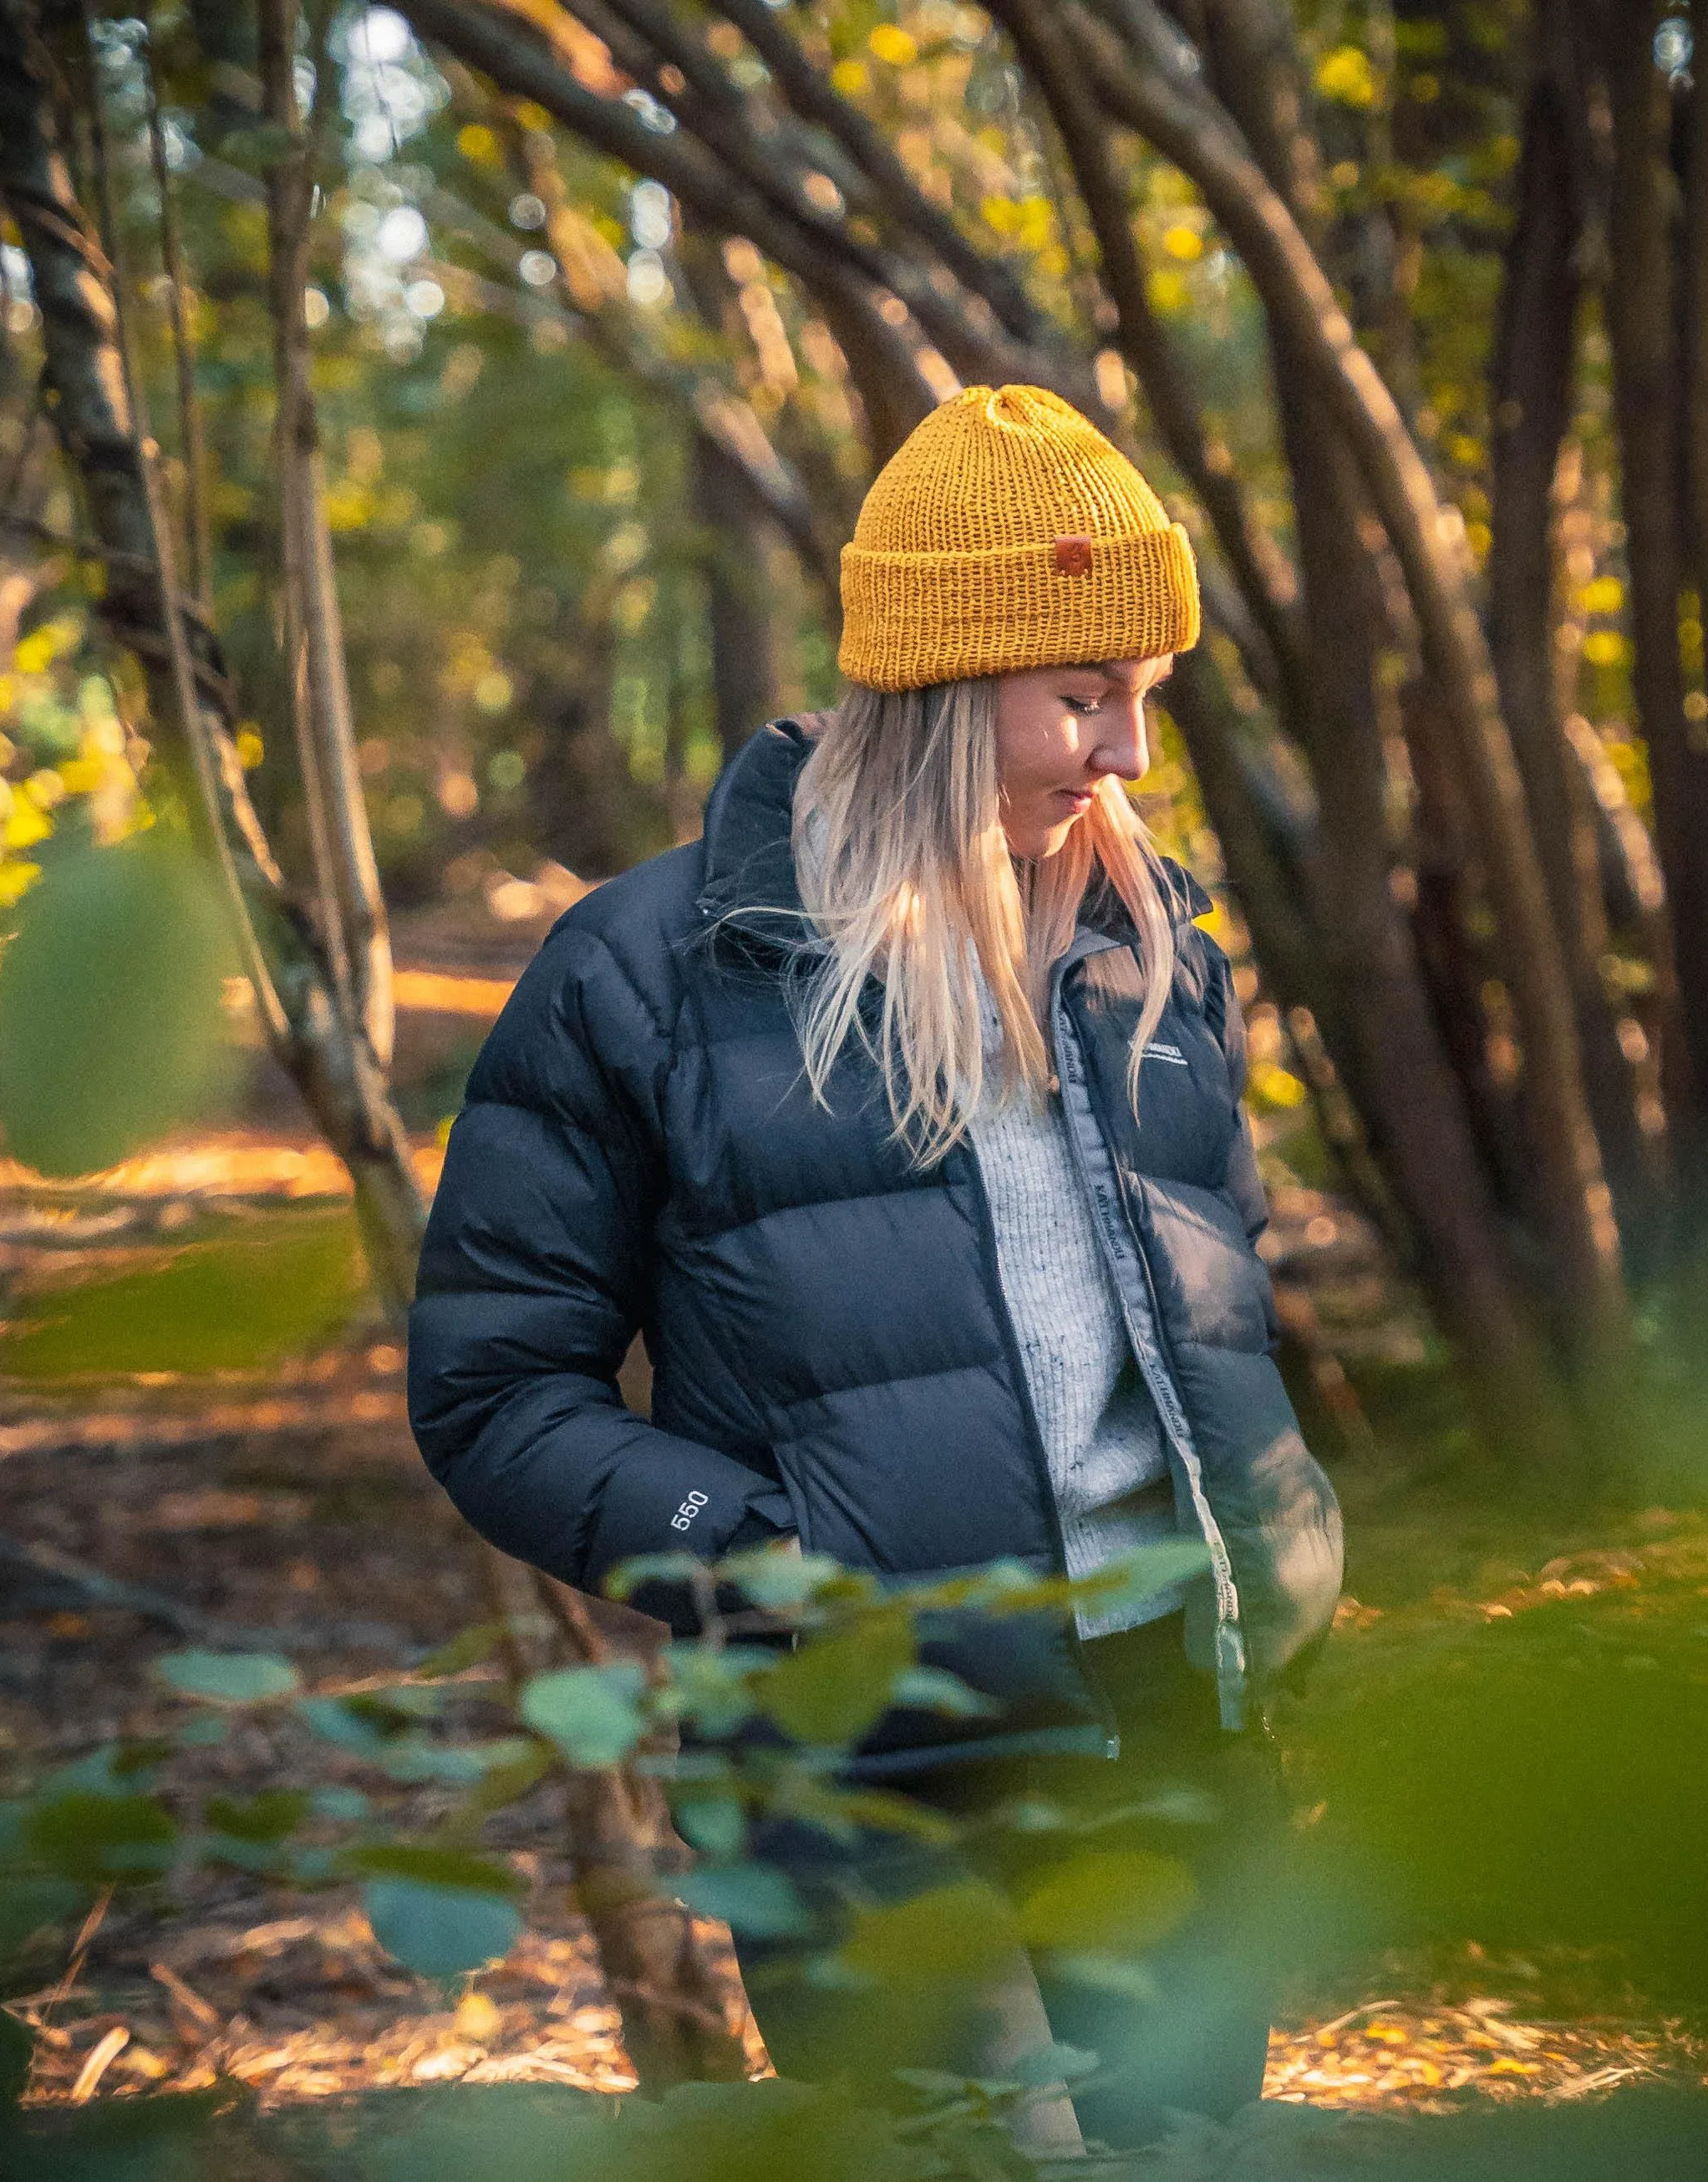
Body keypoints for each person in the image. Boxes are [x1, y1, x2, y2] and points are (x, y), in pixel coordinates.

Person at [408, 384, 1344, 2150]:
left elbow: (1224, 1283)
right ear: (932, 687)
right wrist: (761, 1564)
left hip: (1171, 1723)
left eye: (1145, 699)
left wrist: (1285, 1519)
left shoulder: (1159, 955)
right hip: (858, 1753)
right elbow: (491, 1390)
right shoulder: (651, 976)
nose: (1129, 754)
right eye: (1085, 698)